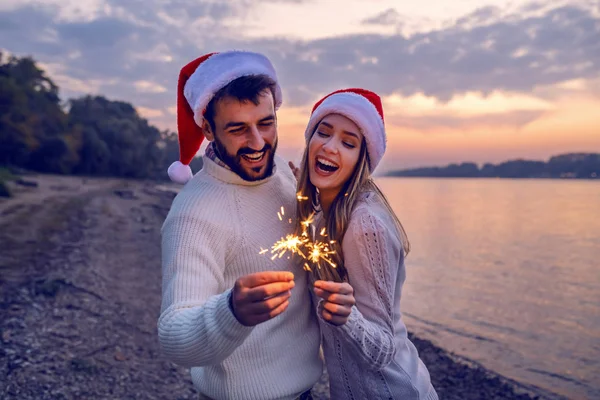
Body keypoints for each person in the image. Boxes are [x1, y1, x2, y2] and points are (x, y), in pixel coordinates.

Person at [158, 51, 322, 400]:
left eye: (266, 123)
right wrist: (231, 312)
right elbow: (173, 334)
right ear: (207, 128)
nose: (258, 143)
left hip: (306, 390)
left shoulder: (280, 171)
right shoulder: (193, 213)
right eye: (238, 129)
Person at [292, 88, 439, 399]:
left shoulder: (365, 225)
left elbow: (382, 351)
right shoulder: (322, 215)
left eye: (348, 143)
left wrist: (348, 317)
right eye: (324, 132)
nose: (331, 147)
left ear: (362, 160)